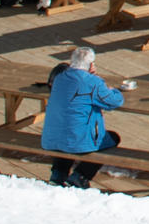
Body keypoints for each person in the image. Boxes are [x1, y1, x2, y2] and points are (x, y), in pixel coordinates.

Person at [40, 45, 128, 188]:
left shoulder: (60, 78)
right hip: (77, 140)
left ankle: (58, 173)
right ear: (91, 65)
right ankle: (80, 176)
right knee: (110, 138)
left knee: (67, 133)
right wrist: (113, 89)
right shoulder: (93, 82)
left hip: (50, 138)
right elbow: (115, 101)